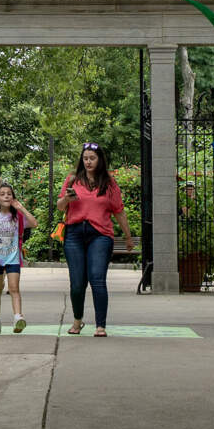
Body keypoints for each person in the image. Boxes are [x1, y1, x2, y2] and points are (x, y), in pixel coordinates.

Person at [58, 143, 134, 337]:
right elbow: (60, 207)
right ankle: (77, 321)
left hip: (100, 235)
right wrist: (67, 199)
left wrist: (128, 236)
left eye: (92, 158)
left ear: (99, 159)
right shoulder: (73, 179)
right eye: (85, 158)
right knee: (77, 282)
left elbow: (119, 211)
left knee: (97, 279)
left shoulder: (109, 183)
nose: (88, 161)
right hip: (74, 233)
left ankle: (101, 325)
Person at [0, 181, 36, 334]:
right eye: (2, 194)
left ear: (13, 197)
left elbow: (34, 223)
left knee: (14, 288)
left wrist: (21, 208)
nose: (6, 196)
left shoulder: (17, 216)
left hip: (13, 258)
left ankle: (18, 317)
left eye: (9, 194)